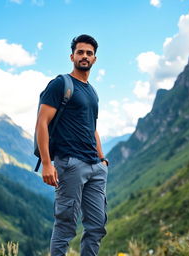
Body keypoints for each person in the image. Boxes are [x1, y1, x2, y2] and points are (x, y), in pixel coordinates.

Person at [35, 34, 109, 256]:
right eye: (80, 52)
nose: (84, 56)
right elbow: (42, 123)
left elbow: (92, 126)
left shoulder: (92, 91)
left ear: (94, 59)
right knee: (66, 224)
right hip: (70, 164)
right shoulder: (61, 84)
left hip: (95, 166)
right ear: (72, 56)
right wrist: (47, 164)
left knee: (96, 227)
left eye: (89, 53)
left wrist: (102, 158)